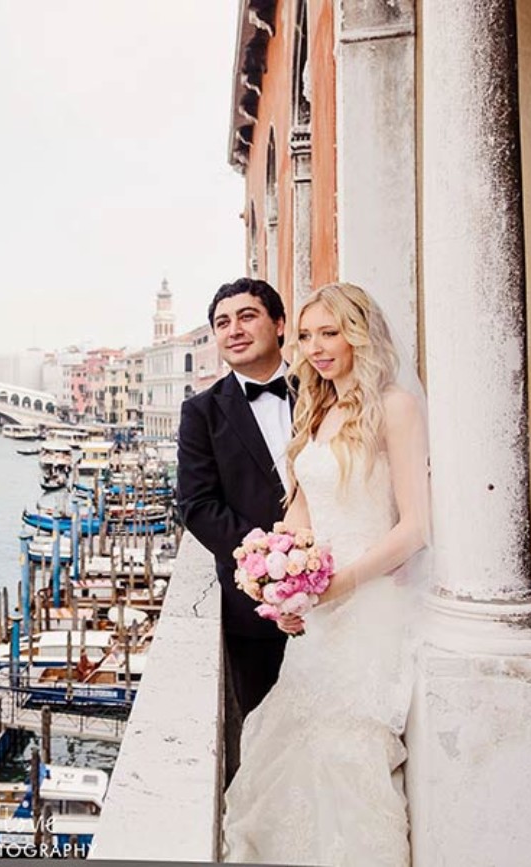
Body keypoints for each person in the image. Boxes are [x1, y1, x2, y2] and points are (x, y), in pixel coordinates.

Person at [221, 282, 430, 866]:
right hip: (319, 612)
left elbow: (414, 527)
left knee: (344, 748)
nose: (316, 347)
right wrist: (279, 582)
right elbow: (301, 514)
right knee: (290, 743)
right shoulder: (317, 410)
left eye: (330, 333)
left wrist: (340, 585)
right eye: (308, 335)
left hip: (371, 602)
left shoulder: (395, 408)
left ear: (359, 333)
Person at [176, 277, 292, 778]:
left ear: (279, 324)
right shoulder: (200, 412)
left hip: (351, 594)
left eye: (247, 316)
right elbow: (198, 506)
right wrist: (273, 566)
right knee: (270, 743)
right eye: (222, 323)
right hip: (255, 608)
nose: (234, 330)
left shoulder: (329, 391)